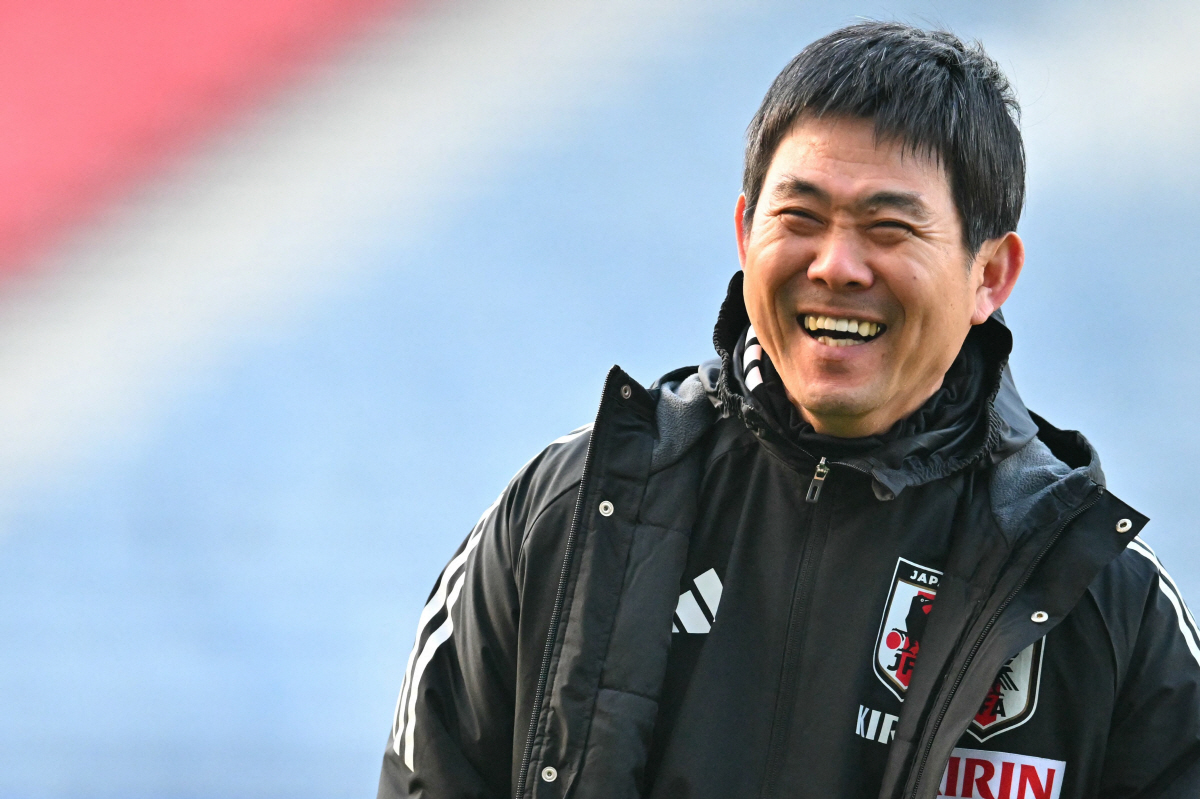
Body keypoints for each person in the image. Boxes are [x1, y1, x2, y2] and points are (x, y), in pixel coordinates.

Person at [377, 22, 1200, 799]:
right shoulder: (566, 513)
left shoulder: (1095, 589)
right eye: (800, 218)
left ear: (991, 274)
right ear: (744, 233)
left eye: (888, 228)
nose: (837, 265)